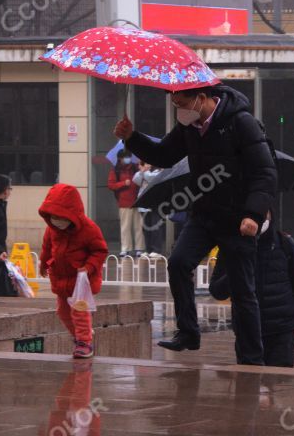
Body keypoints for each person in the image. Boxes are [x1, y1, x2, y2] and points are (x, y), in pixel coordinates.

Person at [113, 84, 277, 363]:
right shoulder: (189, 127)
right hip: (203, 214)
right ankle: (188, 331)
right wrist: (132, 138)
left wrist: (254, 214)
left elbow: (265, 172)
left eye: (182, 104)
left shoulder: (241, 123)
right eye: (174, 104)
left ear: (201, 99)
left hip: (238, 219)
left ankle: (251, 358)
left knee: (242, 292)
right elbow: (164, 154)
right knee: (178, 262)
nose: (179, 111)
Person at [209, 212, 294, 367]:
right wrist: (237, 265)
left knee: (279, 383)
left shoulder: (284, 243)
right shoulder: (231, 246)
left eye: (264, 212)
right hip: (246, 331)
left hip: (281, 331)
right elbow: (217, 291)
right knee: (248, 384)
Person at [39, 184, 108, 359]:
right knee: (62, 312)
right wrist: (43, 264)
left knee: (79, 312)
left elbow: (100, 251)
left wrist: (89, 267)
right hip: (61, 277)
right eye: (53, 217)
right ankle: (80, 337)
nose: (56, 221)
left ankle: (85, 342)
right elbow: (47, 247)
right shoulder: (52, 229)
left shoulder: (89, 229)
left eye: (60, 217)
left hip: (81, 280)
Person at [108, 148, 144, 257]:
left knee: (139, 226)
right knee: (125, 227)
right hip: (124, 202)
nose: (127, 159)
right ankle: (125, 249)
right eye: (125, 157)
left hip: (137, 201)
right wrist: (123, 183)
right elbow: (111, 185)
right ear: (119, 159)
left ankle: (139, 248)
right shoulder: (115, 170)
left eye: (128, 156)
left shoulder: (135, 167)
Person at [133, 161, 165, 258]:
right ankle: (148, 249)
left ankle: (157, 250)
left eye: (145, 163)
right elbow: (135, 180)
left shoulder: (159, 171)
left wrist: (144, 172)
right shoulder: (143, 173)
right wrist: (142, 172)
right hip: (144, 206)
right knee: (146, 229)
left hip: (155, 204)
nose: (143, 166)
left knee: (155, 227)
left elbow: (152, 178)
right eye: (142, 164)